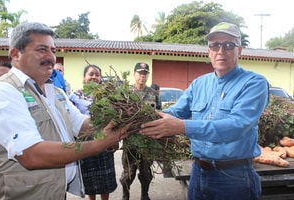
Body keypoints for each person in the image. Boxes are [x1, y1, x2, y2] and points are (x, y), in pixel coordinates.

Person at [0, 22, 130, 200]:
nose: (50, 56)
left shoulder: (56, 92)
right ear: (15, 54)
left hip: (56, 192)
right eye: (42, 49)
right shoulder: (4, 91)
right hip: (24, 194)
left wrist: (117, 118)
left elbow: (81, 125)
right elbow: (31, 154)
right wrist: (99, 144)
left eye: (53, 50)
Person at [139, 22, 269, 200]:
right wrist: (141, 117)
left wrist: (182, 127)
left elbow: (236, 126)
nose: (221, 51)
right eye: (215, 45)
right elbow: (176, 112)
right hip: (198, 173)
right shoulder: (199, 83)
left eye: (229, 45)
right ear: (209, 51)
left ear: (240, 50)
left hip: (234, 178)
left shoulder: (254, 83)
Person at [69, 64, 118, 200]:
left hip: (105, 140)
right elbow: (70, 119)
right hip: (85, 142)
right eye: (91, 74)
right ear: (84, 78)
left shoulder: (109, 96)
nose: (94, 77)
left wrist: (115, 140)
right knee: (90, 178)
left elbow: (115, 119)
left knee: (105, 179)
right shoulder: (75, 96)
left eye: (97, 74)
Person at [120, 62, 160, 200]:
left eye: (145, 73)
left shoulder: (153, 93)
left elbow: (159, 113)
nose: (142, 76)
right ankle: (126, 195)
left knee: (145, 171)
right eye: (140, 73)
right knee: (128, 172)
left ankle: (145, 194)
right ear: (134, 74)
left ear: (148, 75)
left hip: (147, 141)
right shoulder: (126, 93)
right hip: (130, 140)